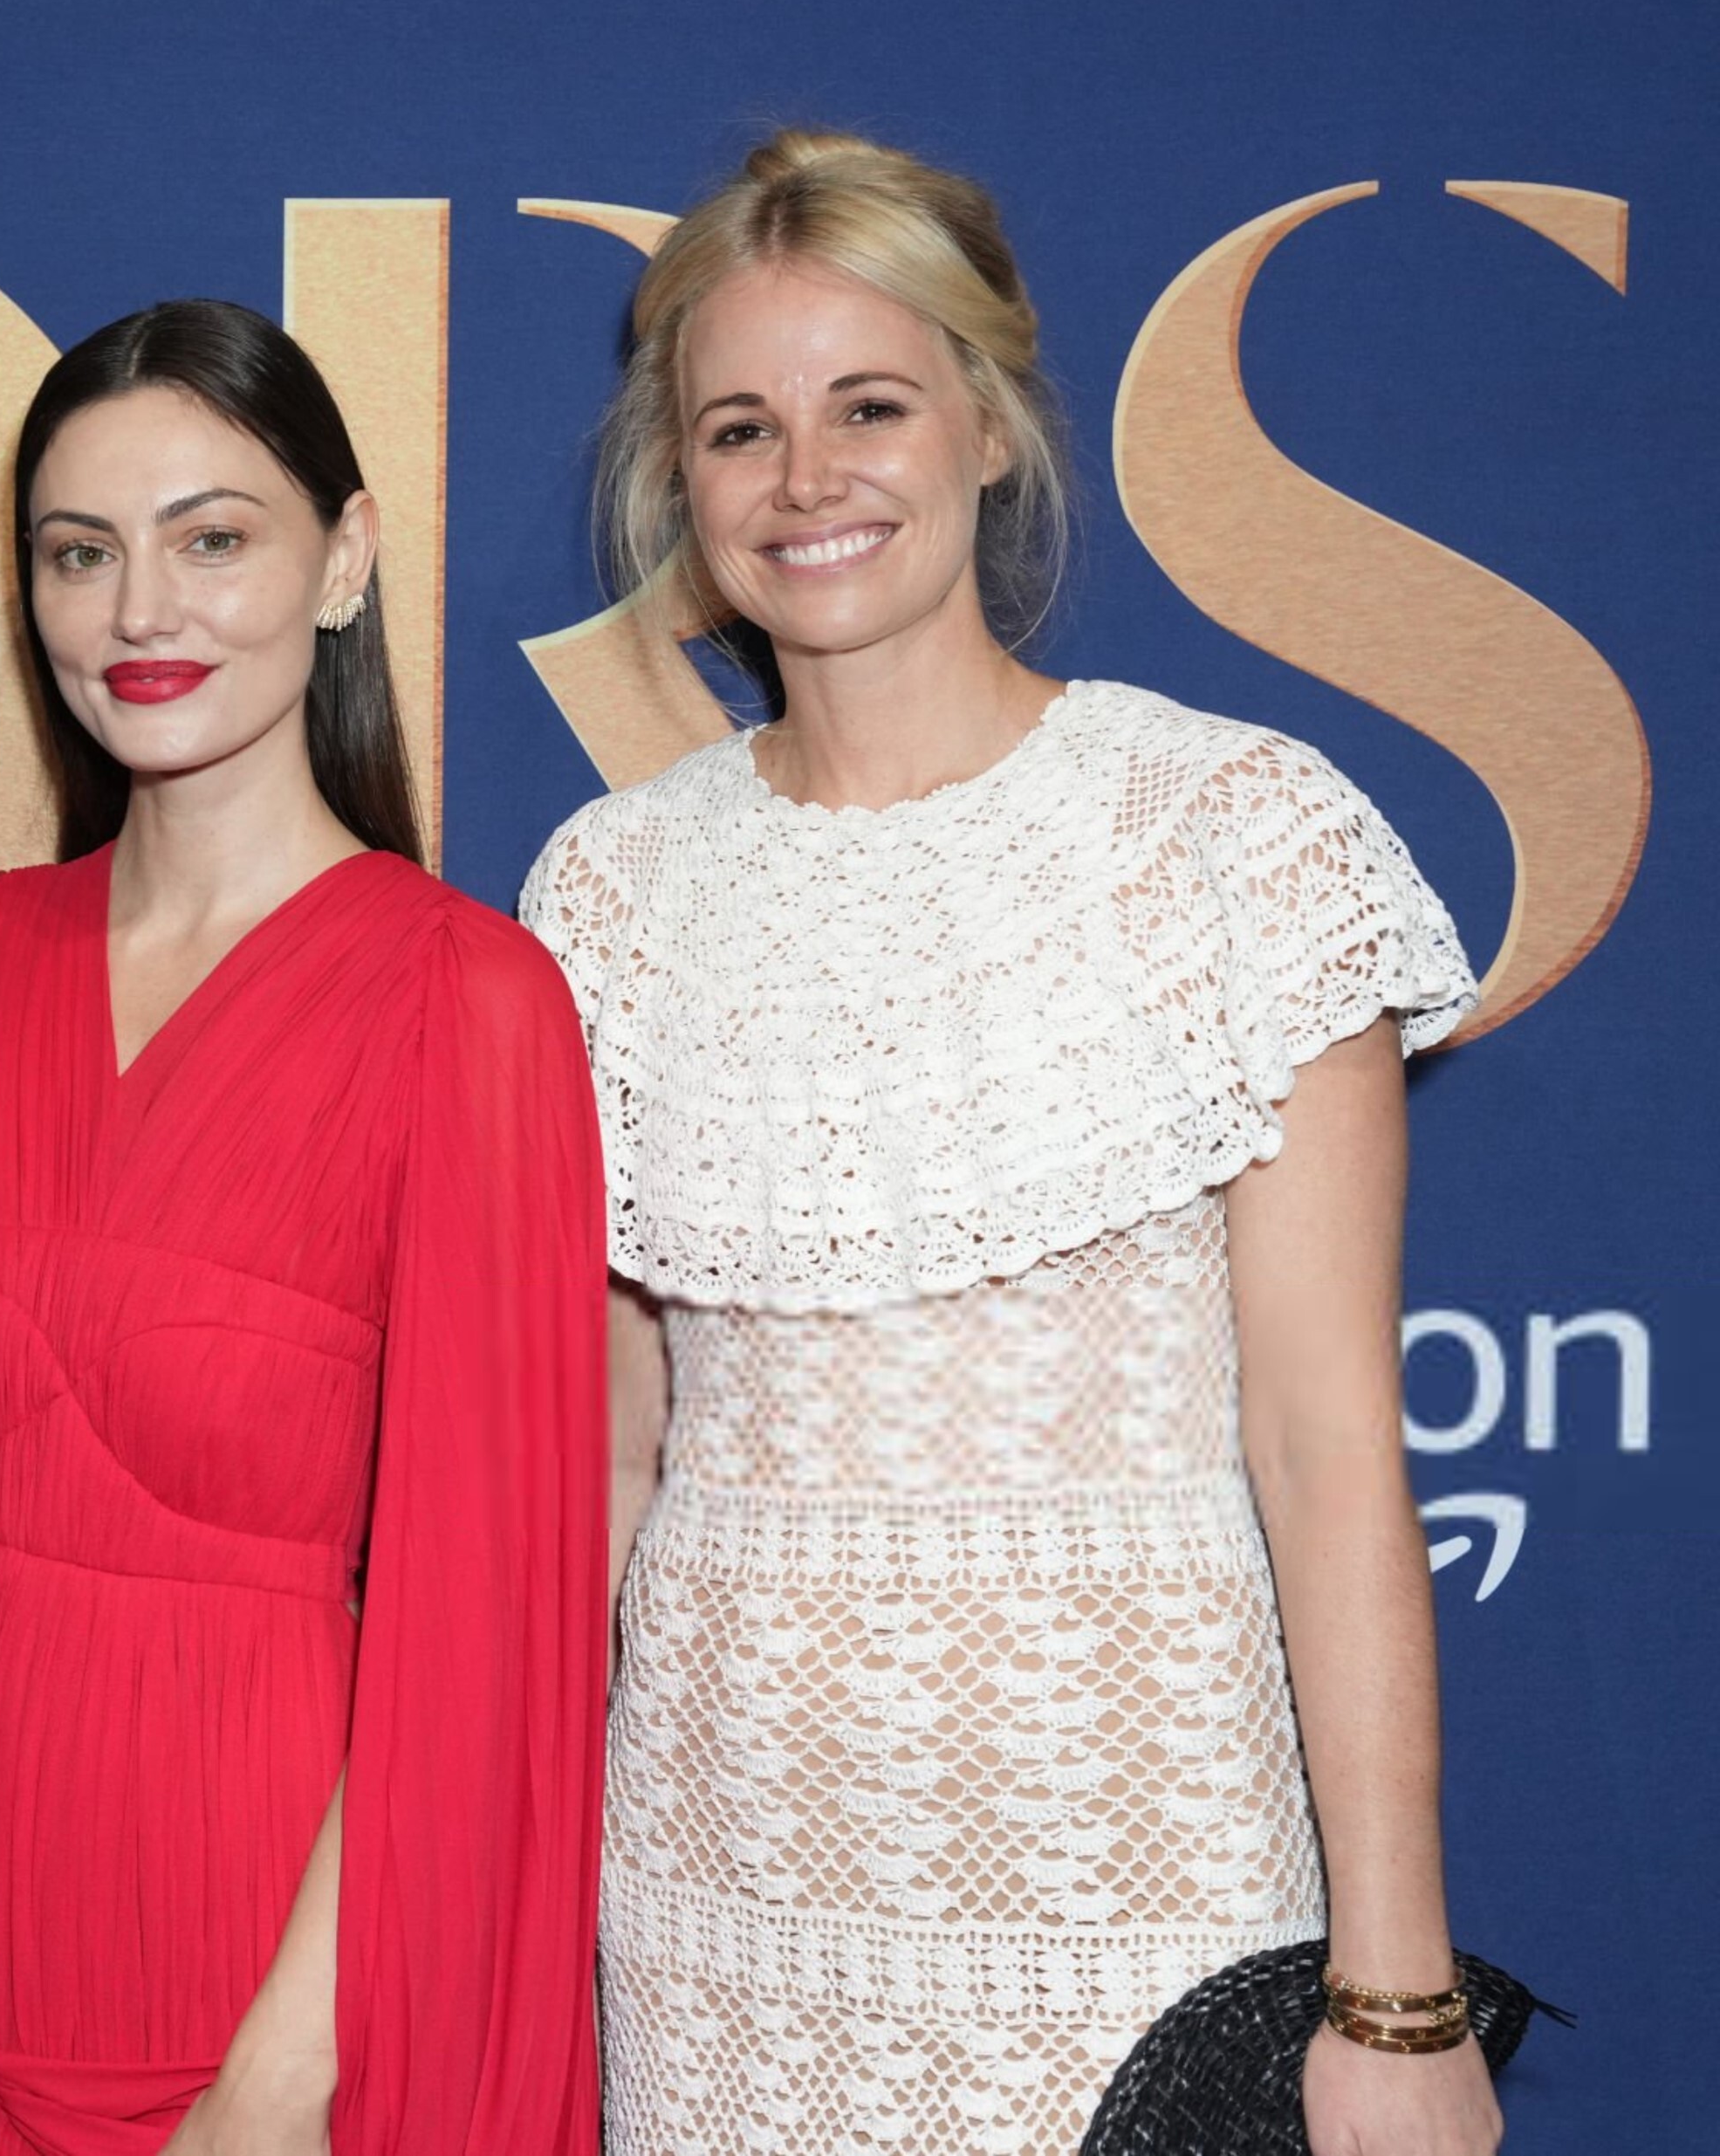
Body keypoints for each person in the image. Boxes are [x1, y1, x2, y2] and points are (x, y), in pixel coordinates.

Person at [523, 129, 1503, 2156]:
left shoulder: (1235, 832)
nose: (807, 476)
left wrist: (1398, 1999)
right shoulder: (610, 893)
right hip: (723, 1914)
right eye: (741, 426)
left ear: (987, 425)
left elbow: (1327, 1445)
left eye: (869, 405)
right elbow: (611, 1460)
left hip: (1141, 1889)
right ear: (684, 482)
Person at [0, 299, 607, 2156]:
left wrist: (286, 2073)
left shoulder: (463, 1005)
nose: (141, 611)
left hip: (226, 1993)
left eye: (211, 537)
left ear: (346, 558)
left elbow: (477, 1621)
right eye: (81, 554)